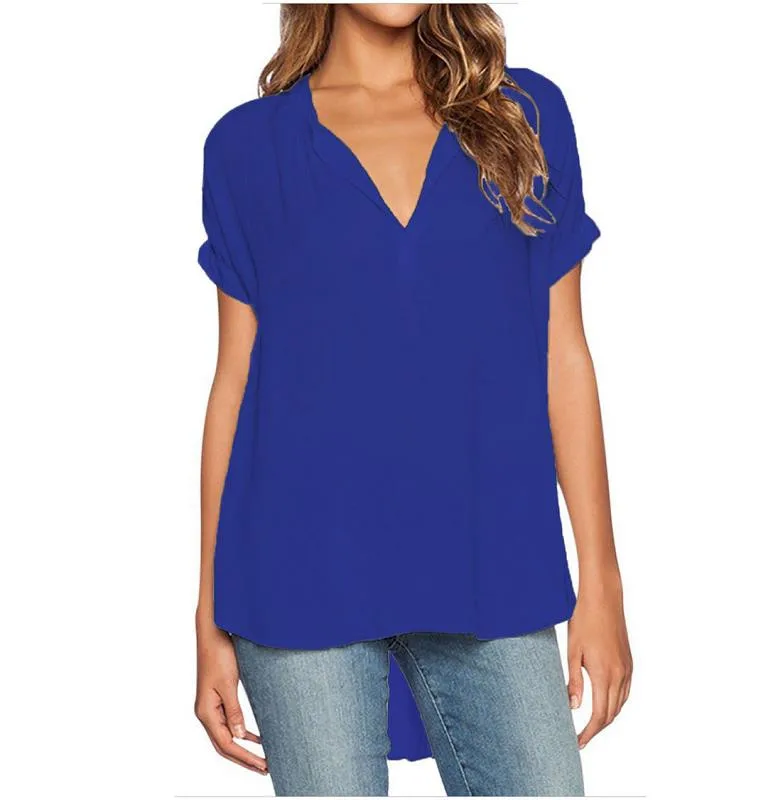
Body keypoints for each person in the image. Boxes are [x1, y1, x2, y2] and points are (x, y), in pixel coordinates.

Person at [193, 3, 632, 796]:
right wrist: (207, 613)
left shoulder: (522, 116)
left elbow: (563, 355)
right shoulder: (247, 148)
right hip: (298, 568)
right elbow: (235, 382)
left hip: (489, 561)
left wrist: (600, 580)